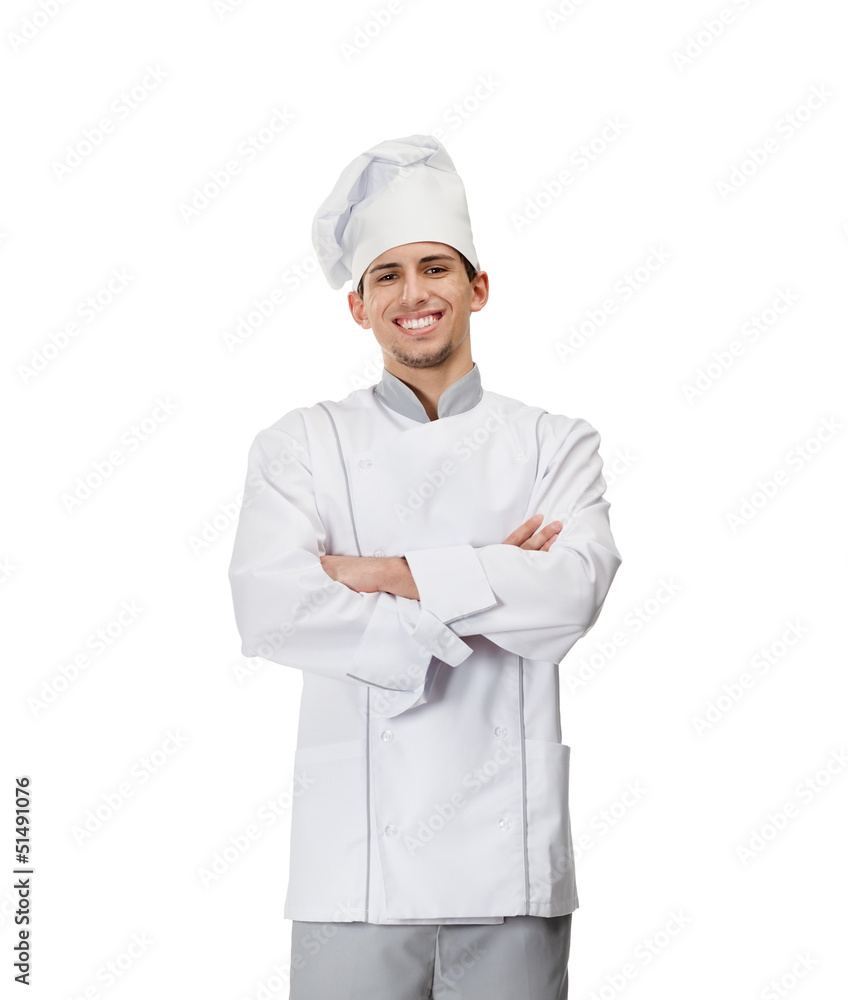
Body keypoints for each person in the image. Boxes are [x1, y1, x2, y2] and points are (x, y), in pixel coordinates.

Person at [228, 135, 622, 1000]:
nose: (415, 294)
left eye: (437, 268)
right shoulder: (302, 445)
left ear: (477, 287)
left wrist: (384, 571)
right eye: (387, 276)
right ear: (359, 308)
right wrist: (487, 578)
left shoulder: (556, 443)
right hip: (353, 871)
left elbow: (572, 594)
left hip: (510, 866)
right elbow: (271, 609)